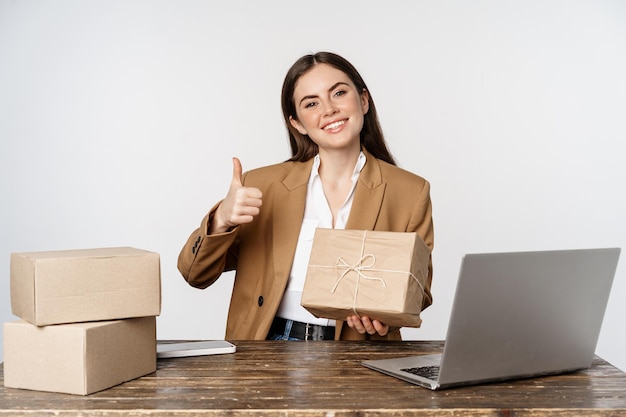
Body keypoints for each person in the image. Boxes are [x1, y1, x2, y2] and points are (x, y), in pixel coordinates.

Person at [178, 51, 434, 341]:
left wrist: (387, 316)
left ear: (363, 101)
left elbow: (420, 289)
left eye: (338, 93)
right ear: (298, 123)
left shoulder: (410, 191)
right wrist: (222, 218)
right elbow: (194, 274)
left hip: (360, 350)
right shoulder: (263, 186)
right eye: (311, 103)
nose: (329, 110)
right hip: (269, 345)